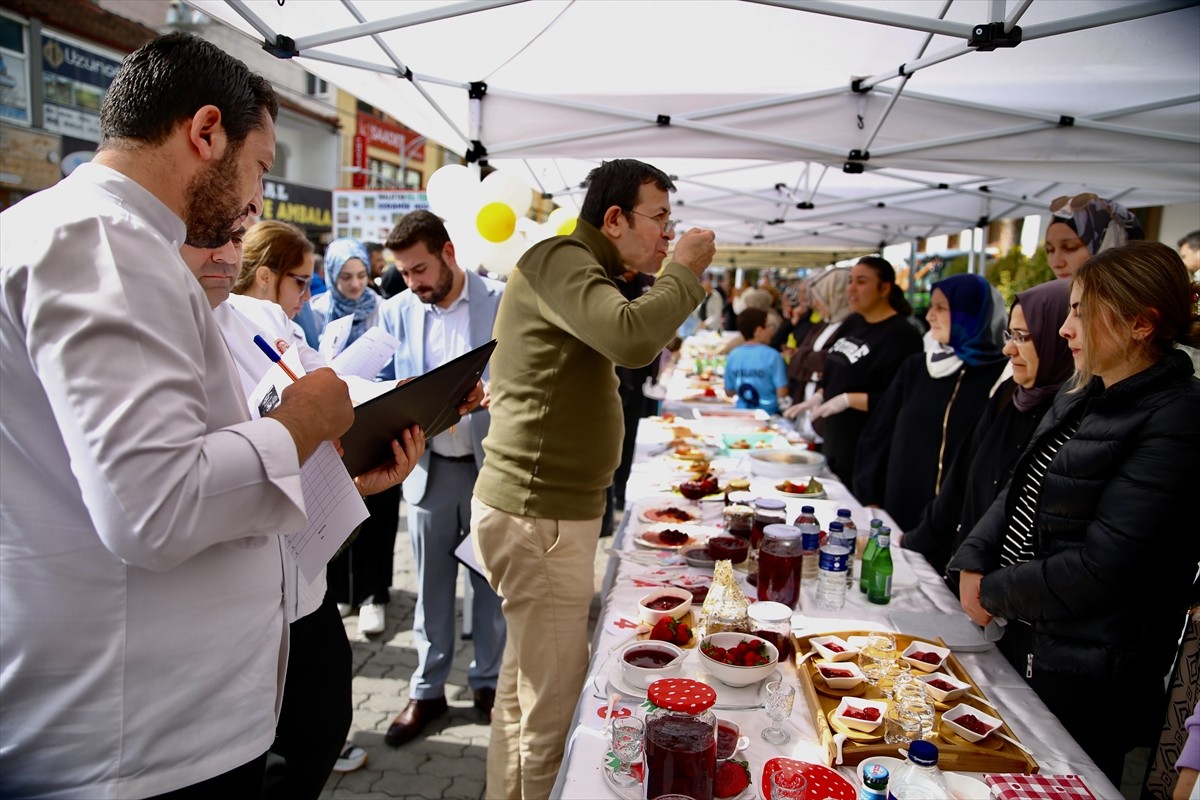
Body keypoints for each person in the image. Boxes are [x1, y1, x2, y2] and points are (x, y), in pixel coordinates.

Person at [0, 32, 358, 799]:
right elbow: (154, 507)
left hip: (136, 722)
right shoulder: (108, 238)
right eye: (259, 167)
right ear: (205, 133)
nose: (255, 202)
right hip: (136, 742)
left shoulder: (81, 232)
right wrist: (302, 419)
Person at [470, 158, 714, 799]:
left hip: (544, 510)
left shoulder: (581, 269)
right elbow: (632, 339)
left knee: (527, 695)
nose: (666, 234)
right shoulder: (560, 260)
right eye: (659, 219)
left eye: (670, 224)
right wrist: (683, 270)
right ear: (614, 219)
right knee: (551, 709)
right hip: (539, 513)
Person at [181, 222, 426, 799]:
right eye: (207, 233)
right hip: (225, 608)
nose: (226, 251)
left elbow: (338, 409)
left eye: (236, 232)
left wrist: (381, 446)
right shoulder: (154, 335)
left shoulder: (261, 320)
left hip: (301, 588)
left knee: (319, 728)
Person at [950, 241, 1200, 785]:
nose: (1065, 330)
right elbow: (1018, 487)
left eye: (1081, 312)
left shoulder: (1178, 416)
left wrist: (991, 589)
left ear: (1141, 324)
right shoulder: (1085, 390)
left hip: (1086, 674)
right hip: (1024, 633)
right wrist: (974, 559)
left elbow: (1105, 566)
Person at [375, 210, 507, 746]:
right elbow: (379, 379)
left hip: (488, 470)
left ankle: (489, 683)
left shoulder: (501, 300)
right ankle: (426, 690)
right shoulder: (398, 311)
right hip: (427, 470)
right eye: (405, 273)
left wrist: (493, 392)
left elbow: (526, 374)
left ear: (449, 252)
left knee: (489, 586)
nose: (414, 283)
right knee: (429, 589)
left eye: (421, 269)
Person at [902, 280, 1073, 579]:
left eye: (1022, 336)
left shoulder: (1074, 417)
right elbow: (962, 475)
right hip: (968, 575)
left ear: (1057, 339)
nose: (1008, 348)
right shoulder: (1010, 394)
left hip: (1014, 594)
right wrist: (915, 541)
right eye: (1010, 334)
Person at [853, 273, 1008, 531]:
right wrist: (869, 495)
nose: (929, 317)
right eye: (931, 307)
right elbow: (878, 433)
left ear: (969, 314)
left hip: (957, 525)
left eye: (941, 308)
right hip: (899, 514)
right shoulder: (917, 367)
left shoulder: (998, 377)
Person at [790, 257, 922, 484]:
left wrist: (849, 400)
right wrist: (821, 393)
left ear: (885, 287)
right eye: (850, 281)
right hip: (834, 438)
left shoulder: (902, 335)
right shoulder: (853, 322)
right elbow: (835, 367)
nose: (850, 289)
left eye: (861, 282)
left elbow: (901, 399)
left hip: (867, 447)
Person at [783, 267, 851, 406]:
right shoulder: (824, 323)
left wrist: (801, 356)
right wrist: (812, 370)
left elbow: (827, 363)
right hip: (806, 400)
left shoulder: (850, 326)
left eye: (819, 297)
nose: (813, 303)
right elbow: (794, 365)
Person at [1044, 192, 1143, 280]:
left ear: (1109, 244)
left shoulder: (1141, 299)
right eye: (1049, 250)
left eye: (1070, 247)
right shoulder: (1052, 298)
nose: (1056, 263)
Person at [311, 237, 380, 345]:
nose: (355, 284)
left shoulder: (381, 308)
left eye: (361, 276)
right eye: (346, 277)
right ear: (332, 277)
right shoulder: (318, 312)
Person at [724, 307, 789, 413]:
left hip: (742, 413)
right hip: (768, 415)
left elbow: (729, 391)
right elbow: (782, 392)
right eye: (768, 326)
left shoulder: (734, 355)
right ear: (758, 330)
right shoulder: (773, 356)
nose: (771, 331)